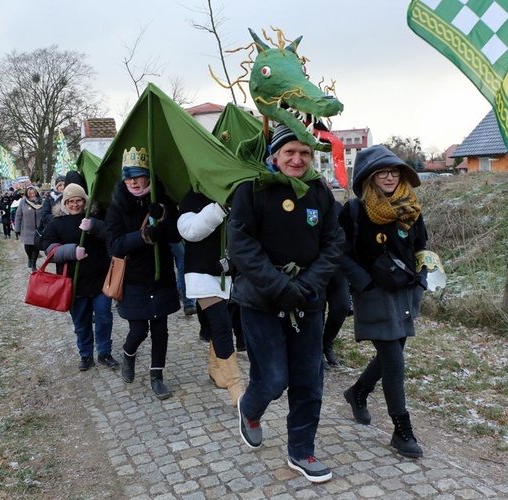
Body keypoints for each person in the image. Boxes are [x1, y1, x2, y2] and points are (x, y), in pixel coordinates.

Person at [228, 125, 344, 483]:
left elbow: (334, 242)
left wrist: (308, 284)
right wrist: (279, 286)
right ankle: (249, 408)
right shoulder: (251, 189)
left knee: (309, 379)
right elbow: (241, 245)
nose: (297, 159)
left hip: (308, 300)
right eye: (290, 152)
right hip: (261, 300)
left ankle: (301, 451)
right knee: (274, 379)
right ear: (275, 156)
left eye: (305, 153)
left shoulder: (320, 193)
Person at [338, 144, 427, 459]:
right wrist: (364, 284)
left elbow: (422, 247)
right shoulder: (354, 211)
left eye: (393, 171)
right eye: (381, 173)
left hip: (404, 292)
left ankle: (358, 392)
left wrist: (424, 273)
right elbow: (340, 253)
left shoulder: (410, 207)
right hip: (372, 294)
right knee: (393, 360)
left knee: (394, 353)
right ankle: (402, 431)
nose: (389, 177)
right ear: (369, 178)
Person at [104, 147, 181, 400]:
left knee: (160, 330)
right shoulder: (118, 206)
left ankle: (156, 376)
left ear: (148, 176)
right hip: (133, 279)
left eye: (138, 175)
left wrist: (165, 216)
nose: (133, 181)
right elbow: (114, 245)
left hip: (160, 277)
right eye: (128, 177)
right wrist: (143, 236)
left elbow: (175, 235)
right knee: (138, 331)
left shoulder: (161, 200)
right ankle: (128, 355)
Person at [177, 189, 244, 406]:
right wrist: (218, 209)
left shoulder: (238, 195)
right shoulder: (193, 196)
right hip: (202, 272)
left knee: (224, 323)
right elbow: (189, 231)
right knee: (222, 324)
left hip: (231, 273)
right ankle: (237, 387)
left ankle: (215, 369)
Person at [42, 183, 118, 371]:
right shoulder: (55, 223)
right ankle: (85, 355)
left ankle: (104, 352)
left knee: (104, 317)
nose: (75, 205)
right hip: (74, 283)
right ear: (64, 203)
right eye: (71, 201)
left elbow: (110, 235)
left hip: (100, 279)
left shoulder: (94, 217)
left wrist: (94, 226)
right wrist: (70, 251)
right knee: (81, 322)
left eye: (79, 201)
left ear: (85, 201)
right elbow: (48, 249)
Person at [13, 186, 43, 271]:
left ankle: (33, 263)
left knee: (36, 247)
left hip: (38, 229)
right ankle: (29, 257)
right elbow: (18, 216)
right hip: (26, 228)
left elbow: (44, 214)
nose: (32, 195)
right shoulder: (23, 202)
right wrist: (17, 229)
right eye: (30, 194)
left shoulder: (41, 202)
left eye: (34, 193)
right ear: (27, 194)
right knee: (28, 247)